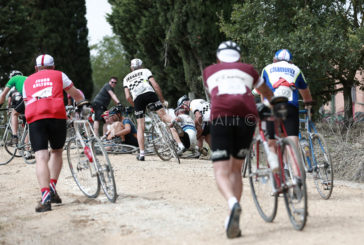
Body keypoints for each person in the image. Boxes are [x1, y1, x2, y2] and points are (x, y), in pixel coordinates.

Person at [203, 41, 274, 238]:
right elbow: (266, 92)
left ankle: (232, 203)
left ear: (218, 58)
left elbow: (214, 93)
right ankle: (233, 216)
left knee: (221, 170)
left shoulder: (209, 71)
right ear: (239, 57)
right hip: (247, 117)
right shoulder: (249, 69)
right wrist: (272, 103)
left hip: (222, 117)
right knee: (235, 168)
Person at [23, 54, 85, 212]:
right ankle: (51, 187)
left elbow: (26, 102)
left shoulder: (27, 80)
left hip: (35, 116)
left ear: (36, 68)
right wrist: (83, 104)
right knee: (57, 151)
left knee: (41, 157)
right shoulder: (59, 75)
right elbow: (76, 94)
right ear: (53, 67)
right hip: (56, 114)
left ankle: (45, 199)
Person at [259, 49, 313, 167]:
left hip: (273, 106)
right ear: (291, 62)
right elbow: (305, 91)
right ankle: (297, 176)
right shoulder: (296, 69)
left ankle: (275, 172)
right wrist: (308, 105)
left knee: (272, 141)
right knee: (292, 141)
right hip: (290, 106)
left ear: (274, 60)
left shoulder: (267, 68)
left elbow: (260, 89)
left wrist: (264, 104)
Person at [123, 58, 176, 161]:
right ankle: (174, 121)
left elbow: (127, 97)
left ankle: (142, 154)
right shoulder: (145, 71)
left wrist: (136, 106)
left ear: (131, 68)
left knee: (140, 126)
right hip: (149, 94)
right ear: (141, 66)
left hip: (137, 98)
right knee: (164, 116)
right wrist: (162, 100)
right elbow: (155, 86)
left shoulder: (126, 78)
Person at [0, 70, 27, 145]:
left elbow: (3, 96)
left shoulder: (13, 79)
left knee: (14, 114)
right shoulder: (27, 78)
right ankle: (27, 150)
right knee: (27, 125)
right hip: (36, 98)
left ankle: (14, 136)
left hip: (25, 99)